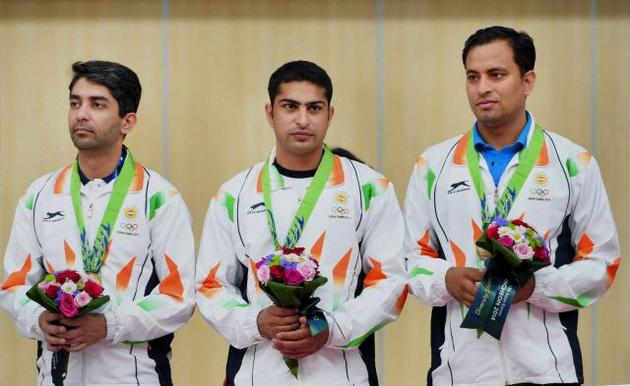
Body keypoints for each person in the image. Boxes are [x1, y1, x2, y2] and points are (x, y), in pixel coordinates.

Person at [404, 26, 620, 386]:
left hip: (548, 371)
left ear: (528, 81)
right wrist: (445, 279)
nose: (482, 87)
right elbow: (408, 259)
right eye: (473, 76)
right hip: (458, 372)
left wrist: (538, 286)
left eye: (497, 74)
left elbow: (603, 263)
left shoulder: (572, 163)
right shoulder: (433, 165)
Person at [196, 60, 407, 385]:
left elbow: (391, 282)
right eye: (290, 106)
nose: (303, 119)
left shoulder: (370, 188)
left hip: (342, 375)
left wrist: (329, 329)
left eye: (314, 108)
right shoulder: (234, 193)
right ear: (270, 113)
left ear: (330, 114)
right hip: (258, 374)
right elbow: (211, 285)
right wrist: (257, 322)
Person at [0, 60, 195, 385]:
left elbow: (180, 295)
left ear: (127, 121)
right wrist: (39, 318)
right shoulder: (40, 195)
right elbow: (13, 284)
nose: (81, 113)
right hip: (55, 376)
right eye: (75, 102)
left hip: (134, 377)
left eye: (97, 104)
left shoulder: (159, 197)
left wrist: (110, 324)